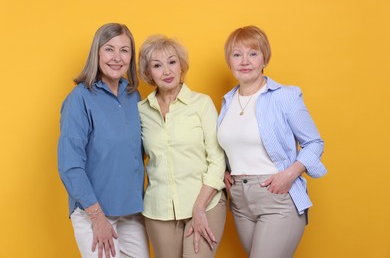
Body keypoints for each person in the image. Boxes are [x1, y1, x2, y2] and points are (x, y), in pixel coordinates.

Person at [217, 25, 327, 258]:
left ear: (264, 58)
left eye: (253, 54)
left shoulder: (284, 96)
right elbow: (234, 145)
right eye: (237, 55)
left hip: (277, 198)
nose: (245, 61)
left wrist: (289, 175)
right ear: (230, 62)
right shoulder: (227, 102)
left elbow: (315, 143)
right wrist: (225, 171)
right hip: (239, 202)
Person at [57, 23, 149, 258]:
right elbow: (70, 165)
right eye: (109, 49)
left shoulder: (133, 96)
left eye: (124, 50)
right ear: (96, 52)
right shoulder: (79, 99)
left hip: (131, 211)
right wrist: (96, 217)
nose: (117, 57)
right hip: (94, 212)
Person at [137, 35, 226, 258]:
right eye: (157, 65)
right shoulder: (139, 111)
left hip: (206, 204)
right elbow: (131, 158)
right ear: (148, 74)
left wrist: (198, 207)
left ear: (181, 66)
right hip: (159, 210)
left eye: (172, 62)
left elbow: (217, 159)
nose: (166, 71)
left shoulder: (201, 104)